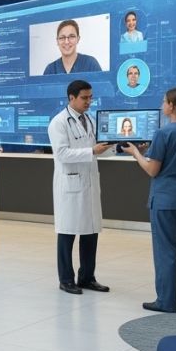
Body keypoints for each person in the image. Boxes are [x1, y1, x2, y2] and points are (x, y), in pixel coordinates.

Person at [122, 87, 176, 313]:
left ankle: (166, 301)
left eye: (163, 101)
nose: (161, 105)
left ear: (172, 106)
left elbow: (152, 169)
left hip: (166, 200)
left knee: (166, 249)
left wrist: (137, 154)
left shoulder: (163, 133)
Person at [47, 79, 113, 295]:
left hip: (89, 184)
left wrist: (122, 147)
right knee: (67, 233)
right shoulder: (59, 122)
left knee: (90, 232)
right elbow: (62, 154)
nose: (88, 102)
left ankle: (87, 277)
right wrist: (91, 152)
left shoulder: (90, 120)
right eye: (84, 98)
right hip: (71, 185)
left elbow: (101, 148)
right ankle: (66, 279)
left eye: (90, 97)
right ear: (71, 98)